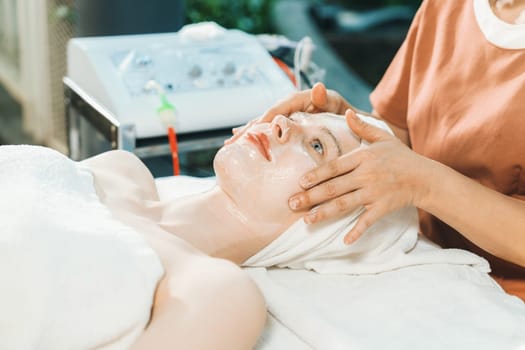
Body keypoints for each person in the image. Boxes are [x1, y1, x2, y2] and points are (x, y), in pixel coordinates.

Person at [229, 0, 525, 301]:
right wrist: (347, 125)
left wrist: (425, 184)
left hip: (506, 299)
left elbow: (415, 175)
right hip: (422, 261)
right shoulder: (449, 7)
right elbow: (397, 130)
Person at [0, 112, 363, 350]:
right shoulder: (122, 169)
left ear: (330, 219)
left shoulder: (217, 293)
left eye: (318, 146)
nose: (284, 122)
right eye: (299, 116)